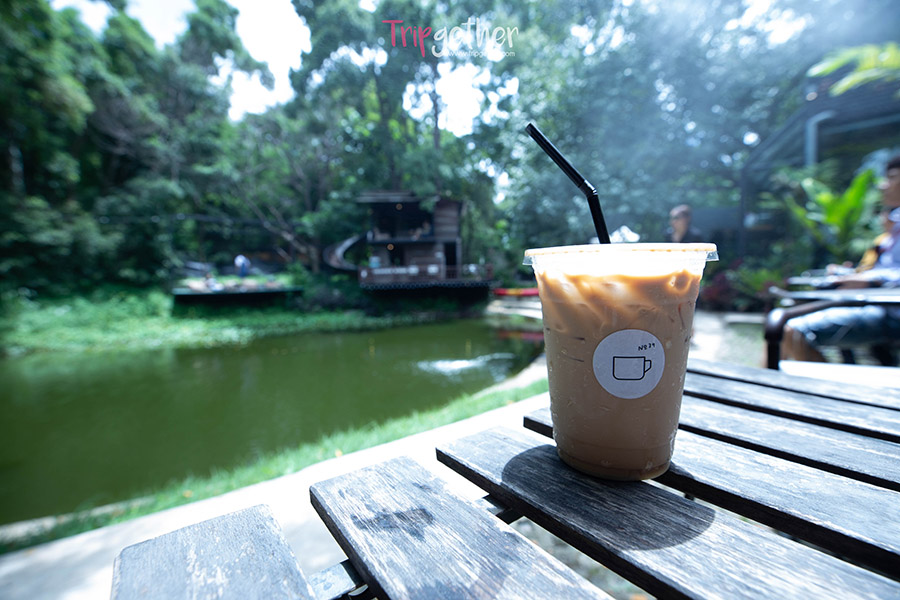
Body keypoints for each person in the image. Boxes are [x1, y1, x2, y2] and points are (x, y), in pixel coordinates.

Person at [781, 155, 900, 363]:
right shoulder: (893, 229)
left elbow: (890, 274)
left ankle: (817, 385)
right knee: (781, 323)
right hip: (874, 303)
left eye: (892, 177)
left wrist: (872, 280)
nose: (882, 185)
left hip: (888, 310)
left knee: (791, 330)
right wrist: (851, 275)